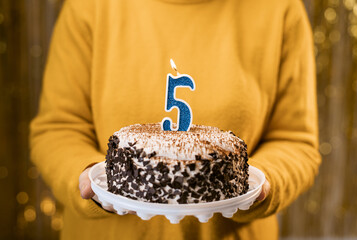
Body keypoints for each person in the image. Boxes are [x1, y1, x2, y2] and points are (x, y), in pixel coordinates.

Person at [30, 0, 321, 239]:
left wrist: (256, 183)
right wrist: (92, 179)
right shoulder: (88, 7)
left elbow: (295, 140)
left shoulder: (279, 9)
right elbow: (59, 128)